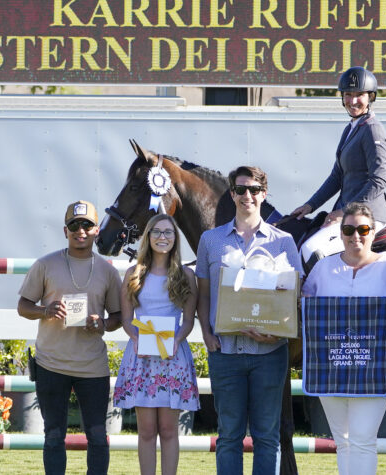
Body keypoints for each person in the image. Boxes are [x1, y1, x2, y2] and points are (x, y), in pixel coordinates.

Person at [196, 165, 301, 475]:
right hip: (225, 352)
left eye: (254, 189)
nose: (247, 195)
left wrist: (280, 329)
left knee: (267, 436)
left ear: (263, 195)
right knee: (229, 436)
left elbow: (294, 294)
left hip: (269, 354)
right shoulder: (210, 240)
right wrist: (206, 333)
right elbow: (203, 294)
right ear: (232, 194)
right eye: (240, 189)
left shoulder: (284, 242)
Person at [18, 200, 122, 475]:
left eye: (87, 225)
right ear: (65, 230)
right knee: (53, 436)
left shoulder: (108, 271)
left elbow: (118, 317)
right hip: (51, 364)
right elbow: (23, 306)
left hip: (92, 367)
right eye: (74, 225)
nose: (81, 231)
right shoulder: (45, 264)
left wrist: (102, 324)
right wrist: (45, 310)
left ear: (97, 230)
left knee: (98, 437)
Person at [302, 202, 386, 475]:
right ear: (341, 231)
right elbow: (304, 310)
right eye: (348, 229)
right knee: (343, 442)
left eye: (362, 229)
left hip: (376, 368)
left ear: (373, 232)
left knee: (362, 439)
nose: (355, 235)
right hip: (331, 367)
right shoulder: (322, 269)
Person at [113, 213, 200, 475]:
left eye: (168, 232)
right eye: (157, 232)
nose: (163, 237)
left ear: (175, 239)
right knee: (147, 431)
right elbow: (127, 319)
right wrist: (136, 338)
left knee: (170, 430)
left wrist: (177, 339)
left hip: (173, 357)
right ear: (148, 237)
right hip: (142, 357)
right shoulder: (133, 273)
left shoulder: (186, 275)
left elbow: (188, 321)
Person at [292, 66, 386, 266]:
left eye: (359, 95)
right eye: (348, 95)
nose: (353, 101)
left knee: (311, 249)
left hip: (367, 216)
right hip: (349, 214)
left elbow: (379, 180)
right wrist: (310, 205)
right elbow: (337, 176)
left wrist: (346, 211)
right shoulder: (351, 129)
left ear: (371, 97)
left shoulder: (373, 129)